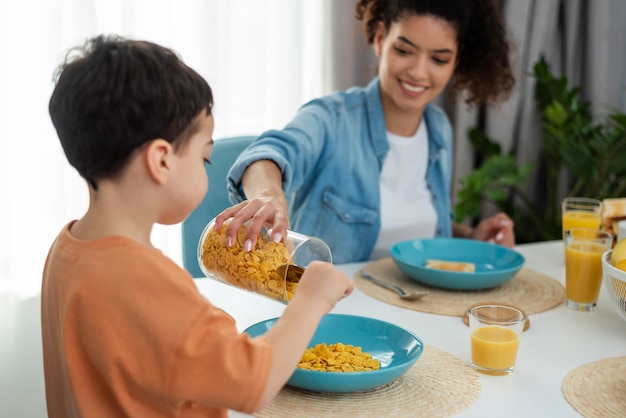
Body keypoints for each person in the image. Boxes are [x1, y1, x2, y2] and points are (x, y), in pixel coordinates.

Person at [42, 35, 353, 418]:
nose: (208, 167)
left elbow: (139, 350)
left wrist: (205, 326)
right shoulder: (148, 282)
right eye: (206, 158)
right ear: (161, 161)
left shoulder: (68, 249)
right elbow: (253, 384)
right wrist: (312, 298)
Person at [219, 0, 517, 264]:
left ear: (456, 61)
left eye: (438, 59)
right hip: (330, 304)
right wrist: (270, 196)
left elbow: (409, 221)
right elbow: (267, 154)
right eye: (404, 50)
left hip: (417, 303)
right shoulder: (332, 118)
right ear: (379, 40)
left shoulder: (438, 129)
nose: (418, 71)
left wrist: (469, 235)